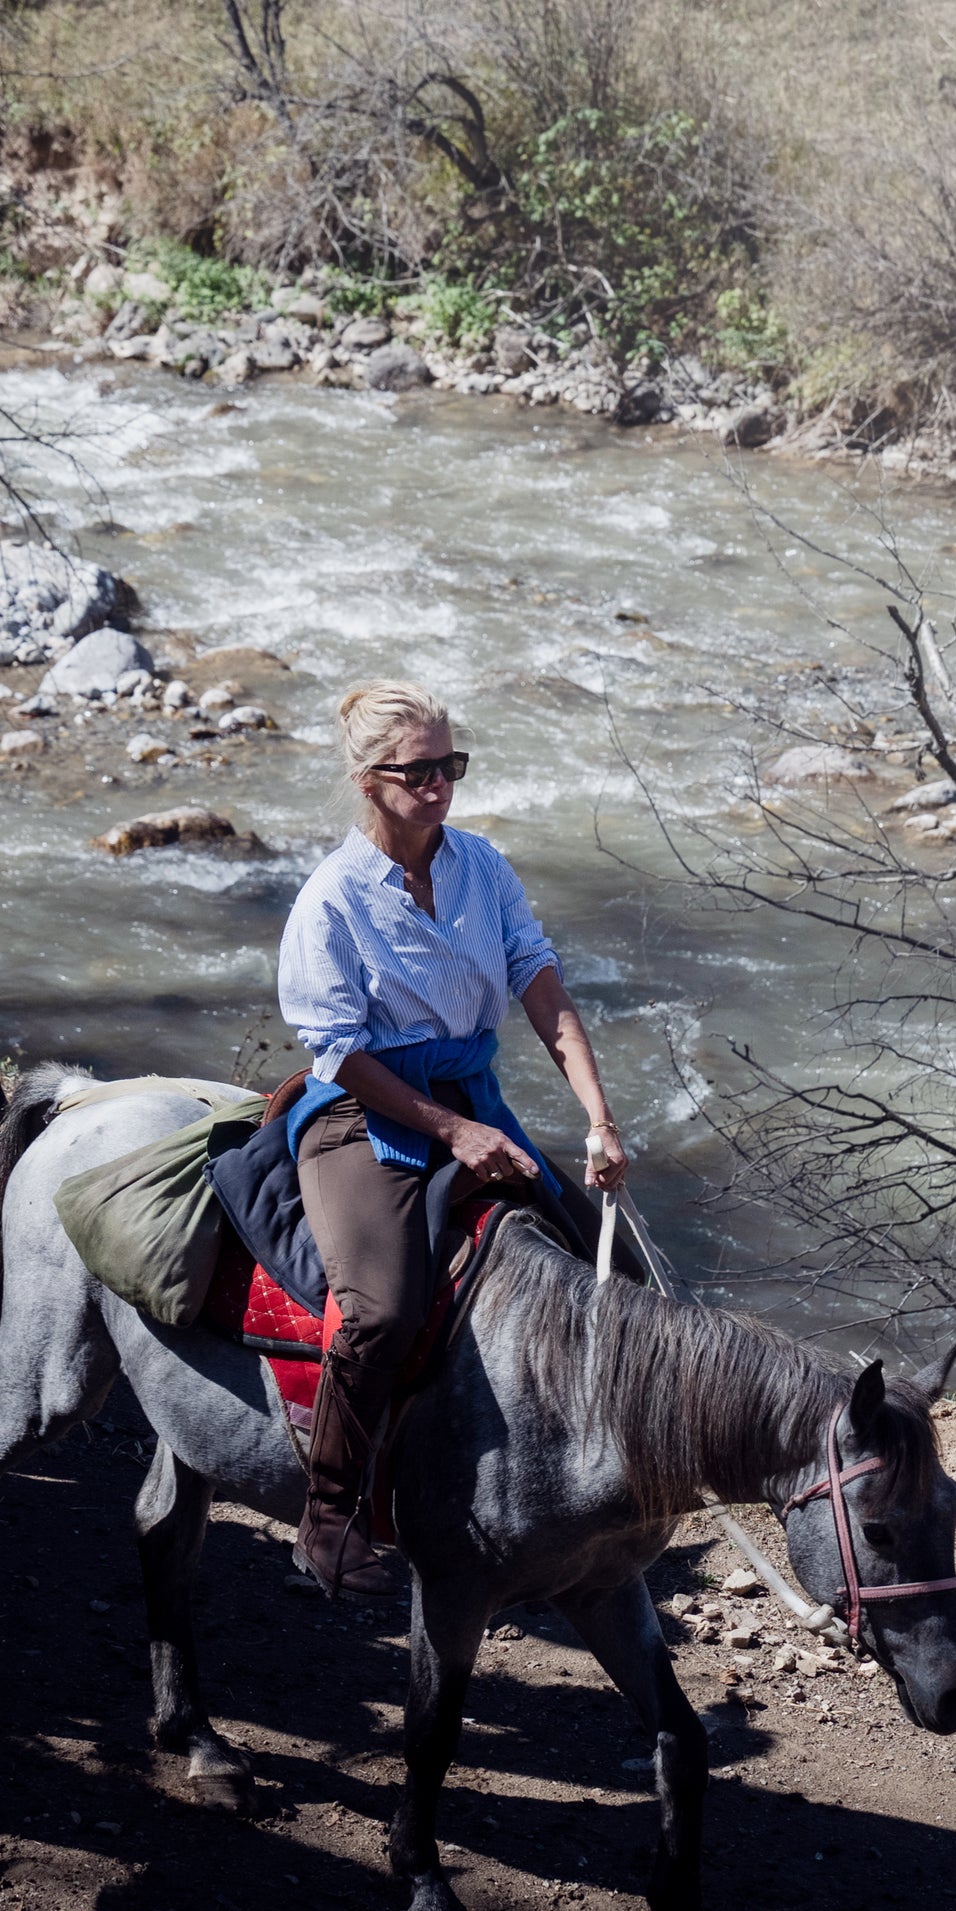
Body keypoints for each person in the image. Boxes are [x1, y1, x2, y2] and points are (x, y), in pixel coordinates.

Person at [276, 679, 628, 1599]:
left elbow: (543, 992)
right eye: (419, 771)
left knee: (606, 1263)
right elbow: (340, 1053)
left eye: (451, 766)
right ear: (368, 779)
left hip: (471, 1097)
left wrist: (597, 1117)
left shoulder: (483, 867)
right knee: (383, 1309)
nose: (440, 787)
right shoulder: (330, 902)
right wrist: (452, 1131)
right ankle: (329, 1515)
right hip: (367, 1113)